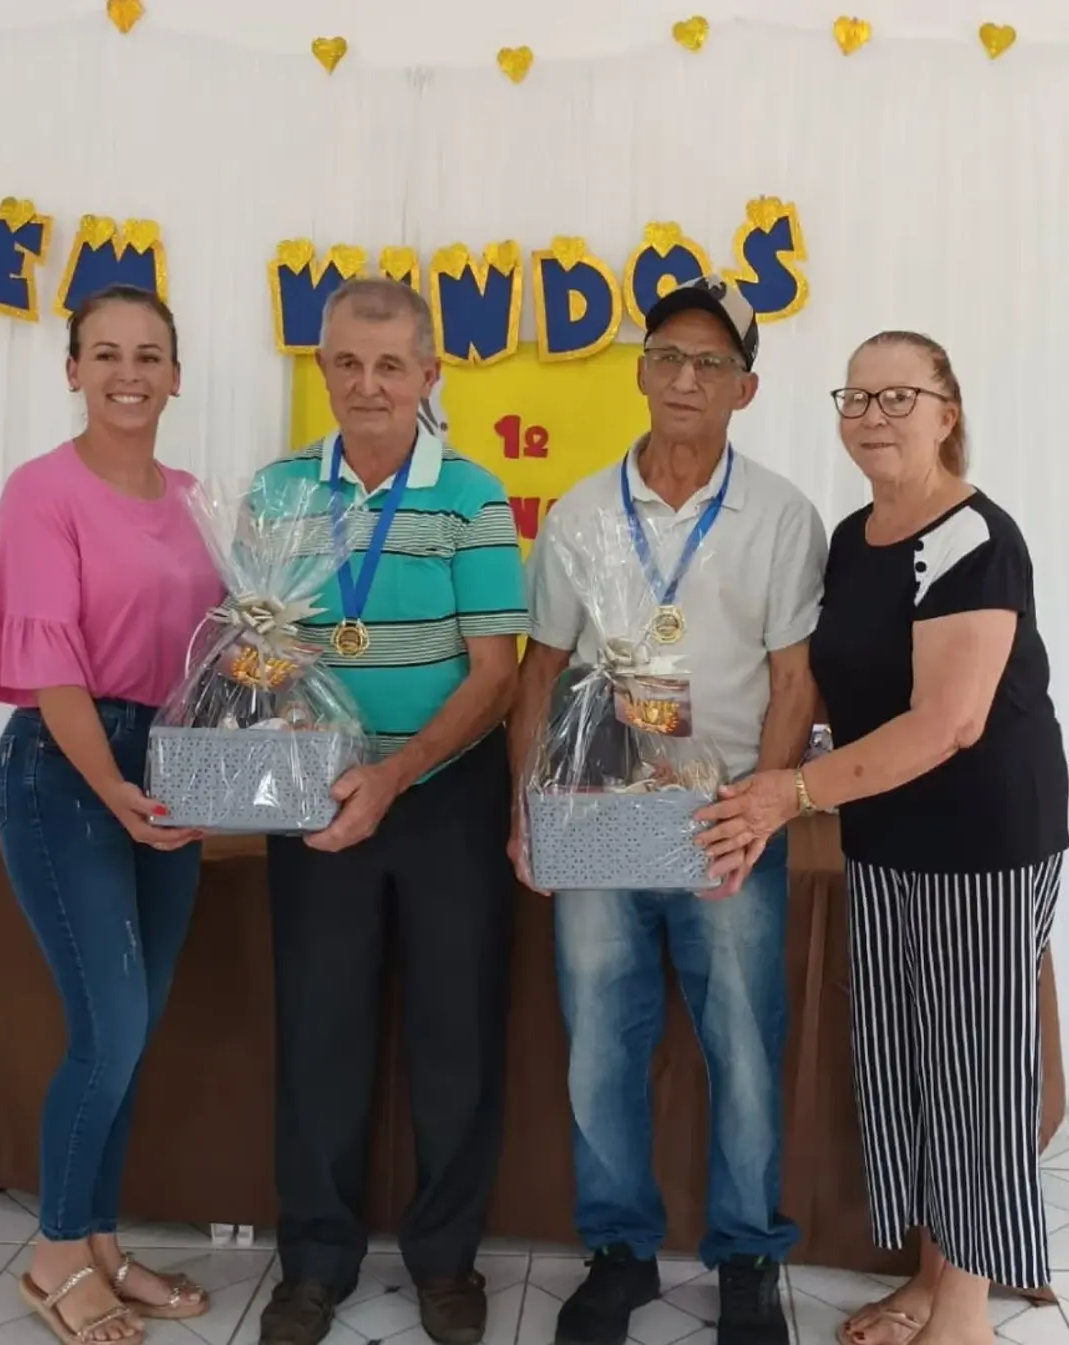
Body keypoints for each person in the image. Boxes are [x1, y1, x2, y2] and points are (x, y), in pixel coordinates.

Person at [699, 331, 1068, 1345]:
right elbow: (828, 679)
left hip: (984, 835)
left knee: (977, 1073)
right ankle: (928, 1275)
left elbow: (948, 720)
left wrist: (793, 791)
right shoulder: (857, 535)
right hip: (887, 833)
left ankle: (963, 1311)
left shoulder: (973, 538)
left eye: (898, 396)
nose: (872, 416)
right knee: (912, 1059)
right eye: (854, 398)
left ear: (947, 411)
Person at [507, 273, 827, 1345]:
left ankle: (744, 1255)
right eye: (669, 357)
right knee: (600, 1036)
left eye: (712, 364)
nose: (686, 378)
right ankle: (619, 1250)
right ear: (641, 371)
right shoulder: (582, 512)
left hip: (723, 820)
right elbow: (540, 670)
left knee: (743, 1036)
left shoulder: (782, 515)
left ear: (745, 388)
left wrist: (759, 813)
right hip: (598, 822)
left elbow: (794, 681)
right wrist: (529, 810)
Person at [254, 278, 528, 1345]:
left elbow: (495, 673)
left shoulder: (473, 495)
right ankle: (314, 1262)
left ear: (429, 375)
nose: (367, 385)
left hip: (444, 792)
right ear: (322, 369)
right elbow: (259, 648)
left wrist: (397, 772)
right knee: (320, 1032)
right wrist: (283, 724)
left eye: (390, 365)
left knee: (456, 1036)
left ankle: (446, 1261)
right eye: (347, 363)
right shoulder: (277, 495)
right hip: (314, 791)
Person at [0, 285, 221, 1343]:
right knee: (109, 1025)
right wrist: (115, 791)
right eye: (106, 353)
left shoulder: (196, 499)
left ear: (177, 374)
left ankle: (99, 1241)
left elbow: (225, 657)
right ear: (73, 370)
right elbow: (54, 670)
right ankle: (50, 1258)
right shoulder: (39, 492)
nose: (129, 371)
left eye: (150, 354)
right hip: (65, 766)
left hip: (170, 765)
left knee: (134, 1029)